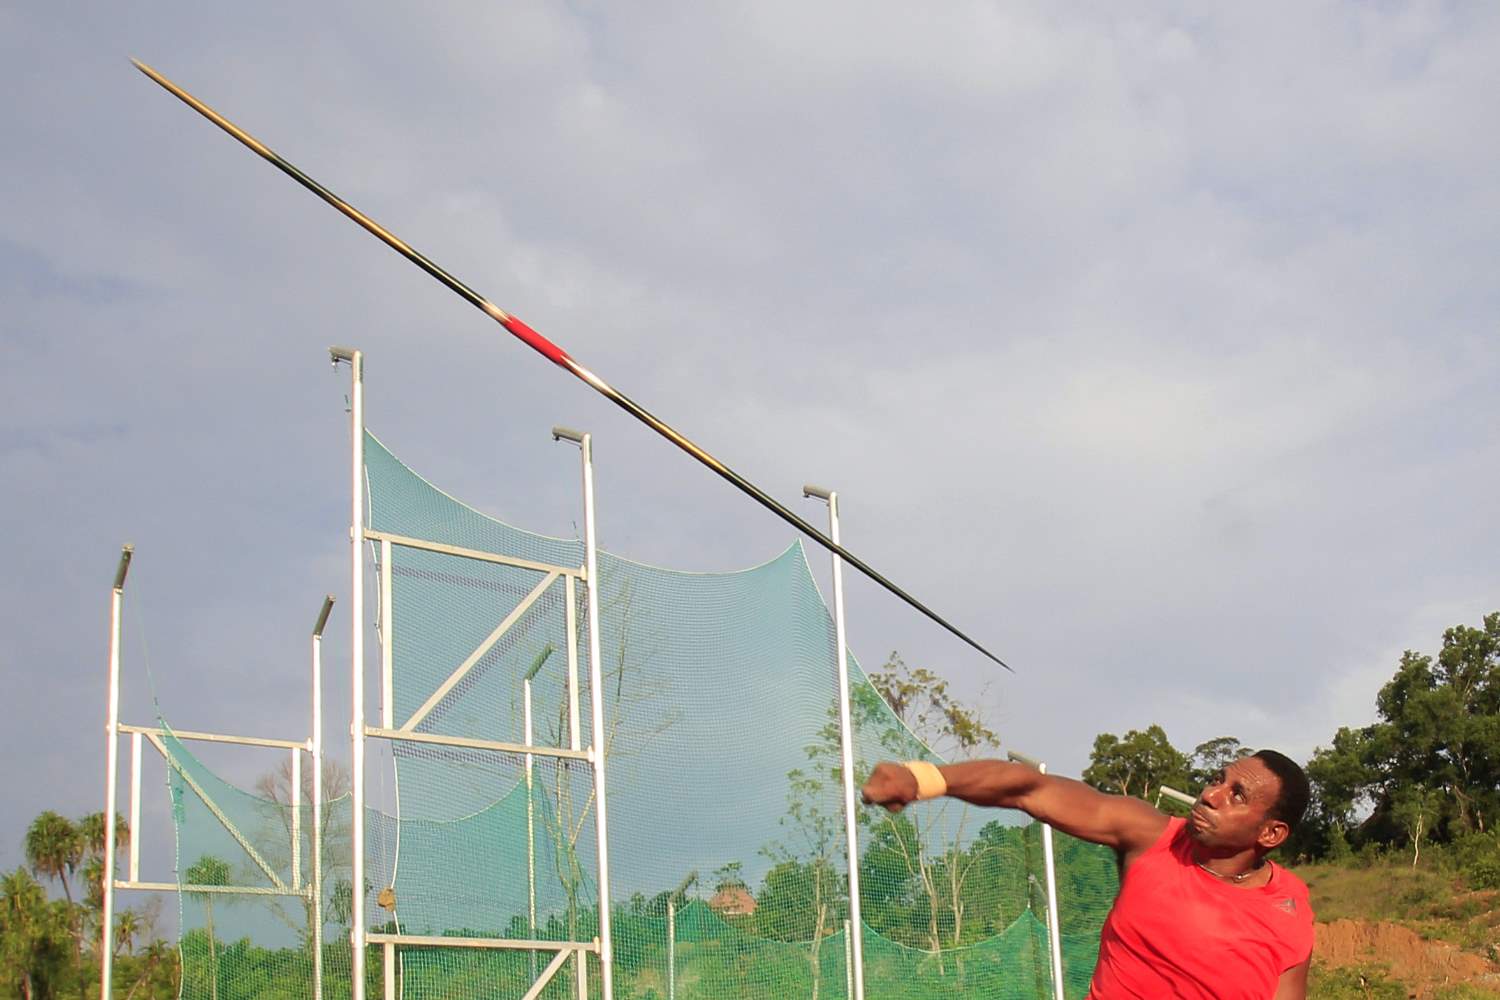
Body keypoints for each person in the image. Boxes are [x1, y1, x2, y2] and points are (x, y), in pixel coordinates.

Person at [861, 749, 1315, 999]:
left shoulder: (1289, 908)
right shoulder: (1150, 837)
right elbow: (1031, 789)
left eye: (1237, 795)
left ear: (1272, 833)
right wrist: (924, 779)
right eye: (1218, 778)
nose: (1211, 795)